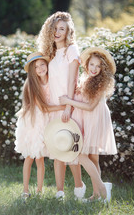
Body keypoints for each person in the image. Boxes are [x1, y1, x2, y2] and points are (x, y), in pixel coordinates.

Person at [37, 11, 85, 200]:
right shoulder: (51, 54)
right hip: (55, 107)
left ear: (68, 32)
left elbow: (73, 80)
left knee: (72, 148)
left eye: (62, 29)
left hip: (69, 107)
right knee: (58, 149)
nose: (58, 32)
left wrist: (68, 107)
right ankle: (59, 192)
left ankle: (79, 188)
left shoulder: (71, 50)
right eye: (55, 28)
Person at [59, 47, 117, 201]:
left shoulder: (101, 82)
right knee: (93, 158)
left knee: (80, 153)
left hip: (95, 118)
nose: (94, 69)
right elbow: (83, 97)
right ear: (87, 64)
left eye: (98, 66)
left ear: (103, 68)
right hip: (88, 119)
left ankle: (104, 189)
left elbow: (91, 107)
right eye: (92, 64)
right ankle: (96, 194)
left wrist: (68, 101)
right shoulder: (86, 79)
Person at [14, 52, 65, 200]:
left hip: (47, 121)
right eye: (36, 67)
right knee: (30, 156)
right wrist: (62, 108)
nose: (40, 68)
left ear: (47, 65)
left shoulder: (52, 81)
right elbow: (42, 108)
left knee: (40, 158)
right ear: (32, 70)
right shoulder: (31, 85)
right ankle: (25, 190)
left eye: (42, 64)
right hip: (33, 121)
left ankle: (39, 190)